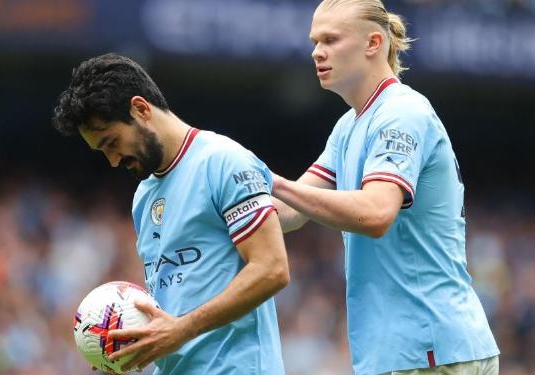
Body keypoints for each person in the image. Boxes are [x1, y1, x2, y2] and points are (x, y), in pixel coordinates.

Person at [271, 0, 500, 374]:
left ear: (373, 43)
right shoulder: (348, 126)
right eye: (315, 41)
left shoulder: (401, 112)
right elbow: (290, 212)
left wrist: (273, 181)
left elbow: (376, 213)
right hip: (401, 352)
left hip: (430, 348)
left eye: (330, 39)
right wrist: (220, 201)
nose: (316, 51)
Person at [52, 53, 289, 374]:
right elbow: (173, 299)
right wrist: (127, 346)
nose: (112, 161)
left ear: (141, 109)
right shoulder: (143, 196)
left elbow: (272, 268)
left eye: (112, 142)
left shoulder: (223, 161)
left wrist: (181, 330)